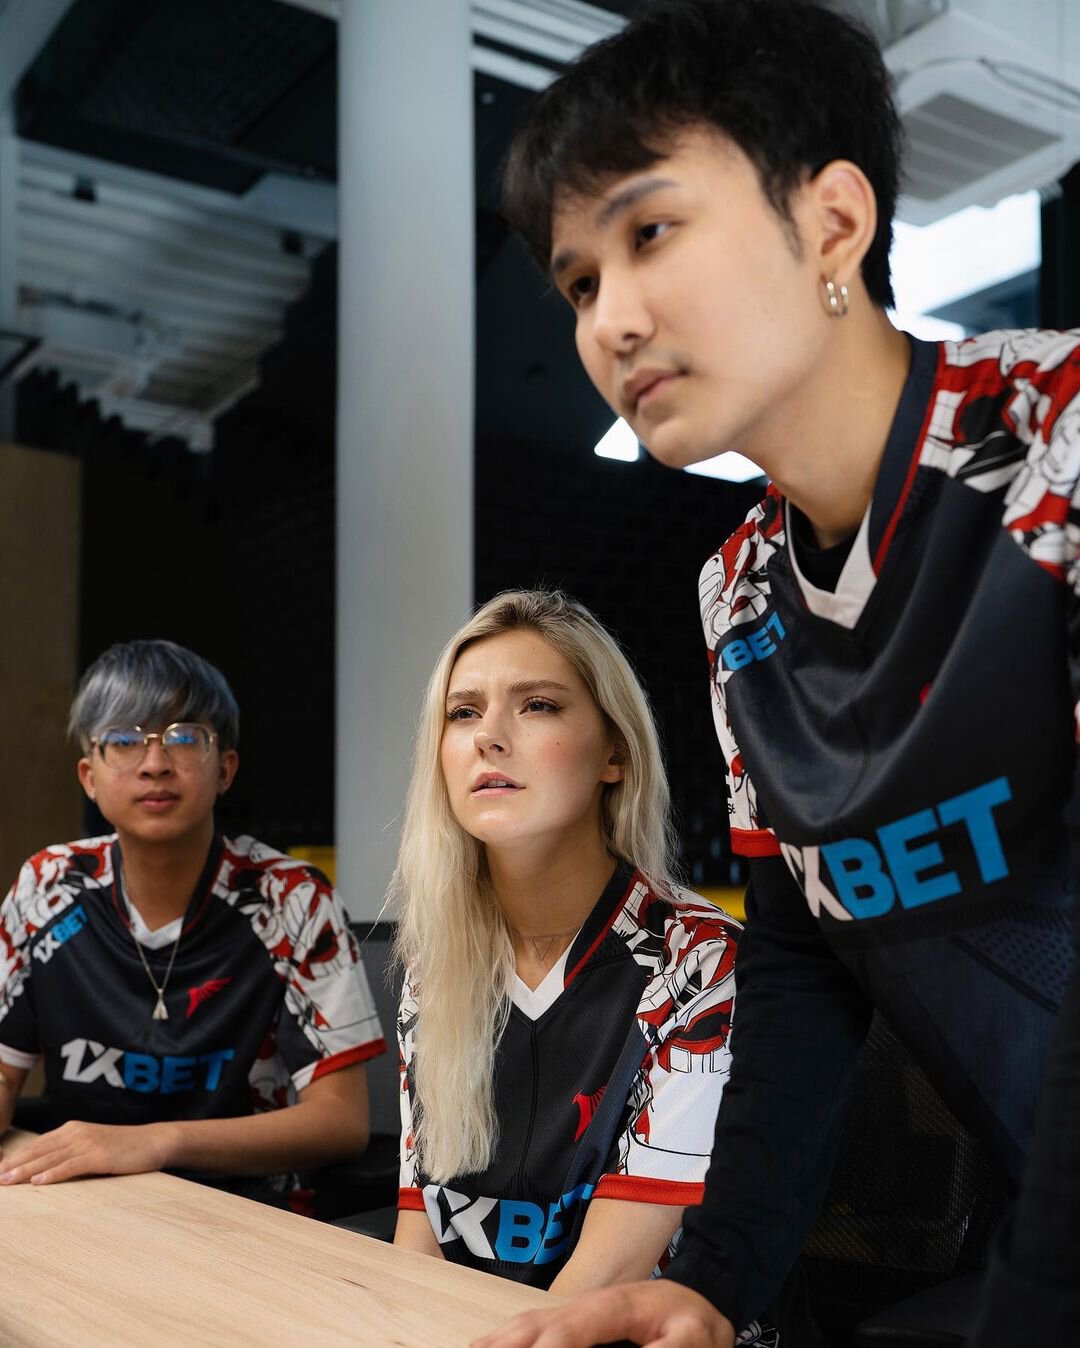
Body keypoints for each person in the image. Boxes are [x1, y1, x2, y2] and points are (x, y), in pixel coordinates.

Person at [474, 1, 1080, 1345]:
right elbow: (806, 959)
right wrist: (714, 1277)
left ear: (834, 222)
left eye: (649, 232)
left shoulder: (1057, 436)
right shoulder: (737, 588)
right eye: (579, 285)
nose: (610, 321)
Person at [390, 590, 782, 1334]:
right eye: (463, 713)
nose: (488, 737)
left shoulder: (701, 963)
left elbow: (594, 1293)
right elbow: (418, 1246)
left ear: (614, 754)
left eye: (537, 705)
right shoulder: (435, 963)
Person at [0, 639, 385, 1205]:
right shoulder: (48, 887)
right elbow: (4, 1074)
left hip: (250, 1210)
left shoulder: (293, 901)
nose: (154, 763)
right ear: (89, 777)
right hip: (84, 1203)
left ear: (225, 769)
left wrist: (156, 1142)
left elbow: (341, 1122)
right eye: (124, 741)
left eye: (183, 737)